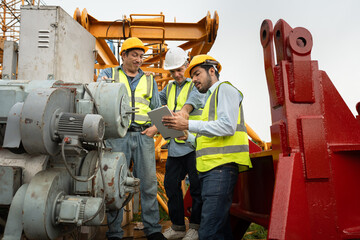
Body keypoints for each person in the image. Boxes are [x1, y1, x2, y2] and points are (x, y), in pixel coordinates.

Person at [162, 55, 252, 240]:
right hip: (211, 169)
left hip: (221, 168)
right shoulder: (210, 99)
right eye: (192, 76)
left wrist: (188, 125)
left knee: (208, 231)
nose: (193, 80)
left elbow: (227, 127)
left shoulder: (225, 89)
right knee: (220, 230)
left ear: (212, 71)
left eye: (197, 74)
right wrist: (187, 136)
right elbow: (206, 138)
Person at [98, 37, 166, 240]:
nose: (139, 60)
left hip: (143, 136)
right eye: (134, 55)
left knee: (148, 184)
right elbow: (98, 97)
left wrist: (155, 128)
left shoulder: (149, 80)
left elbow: (158, 109)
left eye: (141, 56)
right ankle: (115, 232)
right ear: (124, 55)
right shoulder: (109, 74)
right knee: (115, 184)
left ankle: (152, 230)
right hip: (117, 137)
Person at [159, 47, 205, 240]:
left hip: (194, 145)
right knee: (170, 185)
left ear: (187, 66)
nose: (177, 74)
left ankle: (195, 226)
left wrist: (185, 111)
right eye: (173, 71)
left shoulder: (195, 84)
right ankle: (178, 227)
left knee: (196, 186)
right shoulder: (168, 88)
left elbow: (193, 101)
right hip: (175, 146)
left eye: (179, 70)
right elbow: (156, 103)